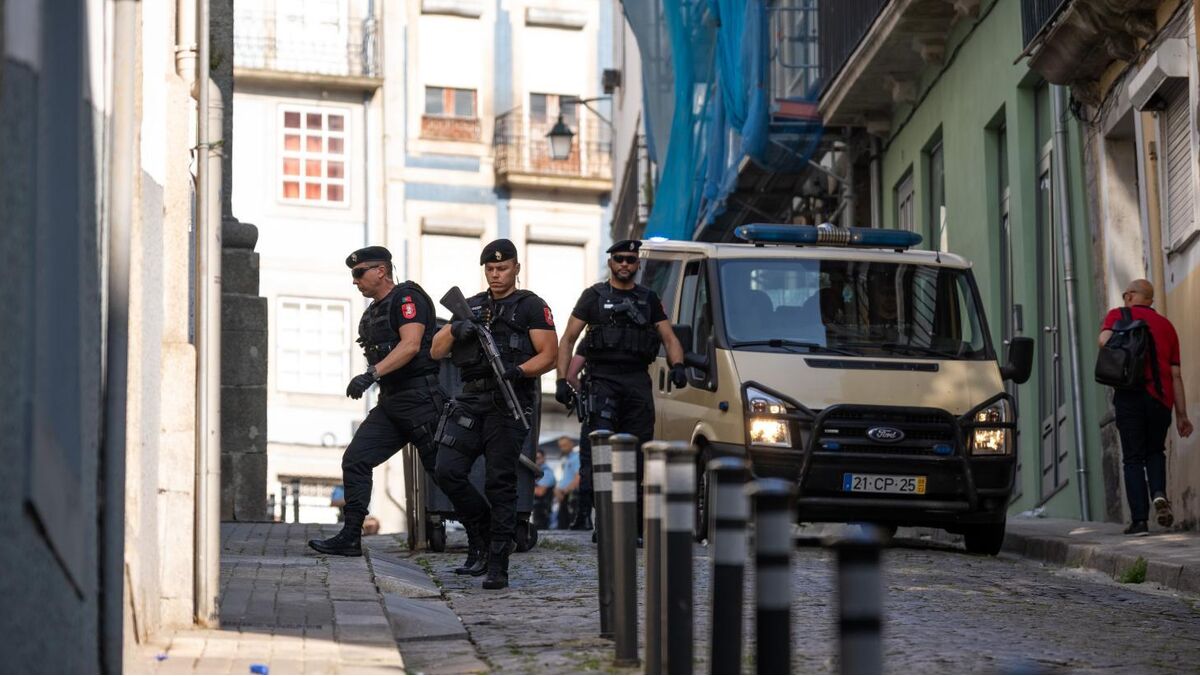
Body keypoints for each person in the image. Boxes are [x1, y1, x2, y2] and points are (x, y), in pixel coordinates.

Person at [430, 238, 558, 589]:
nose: (496, 274)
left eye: (502, 268)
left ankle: (497, 562)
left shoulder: (531, 306)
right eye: (490, 269)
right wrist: (456, 328)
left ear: (516, 268)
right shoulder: (471, 305)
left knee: (500, 483)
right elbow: (436, 350)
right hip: (471, 400)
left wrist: (518, 371)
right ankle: (481, 534)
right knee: (447, 470)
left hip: (508, 402)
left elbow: (549, 355)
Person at [308, 246, 445, 557]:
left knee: (446, 474)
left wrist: (371, 374)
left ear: (381, 271)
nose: (355, 280)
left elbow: (411, 345)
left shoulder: (407, 298)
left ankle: (490, 535)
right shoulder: (372, 313)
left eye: (359, 273)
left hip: (421, 400)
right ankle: (350, 536)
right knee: (356, 459)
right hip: (392, 402)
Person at [554, 239, 687, 531]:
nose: (625, 264)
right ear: (610, 262)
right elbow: (568, 338)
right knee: (601, 453)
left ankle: (631, 522)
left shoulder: (648, 299)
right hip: (602, 382)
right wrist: (561, 380)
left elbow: (669, 338)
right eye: (619, 259)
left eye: (630, 259)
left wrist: (678, 366)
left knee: (636, 455)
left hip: (637, 382)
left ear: (638, 263)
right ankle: (601, 520)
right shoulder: (593, 296)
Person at [1098, 279, 1193, 535]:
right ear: (1150, 300)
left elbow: (1103, 342)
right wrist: (1182, 415)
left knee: (1132, 458)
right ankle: (1159, 493)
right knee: (1155, 451)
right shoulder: (1167, 326)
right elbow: (1176, 375)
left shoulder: (1118, 315)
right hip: (1161, 400)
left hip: (1130, 396)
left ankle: (1140, 521)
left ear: (1130, 296)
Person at [554, 436, 581, 529]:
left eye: (565, 445)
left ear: (571, 444)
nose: (562, 448)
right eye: (561, 446)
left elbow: (578, 477)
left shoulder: (576, 458)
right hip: (564, 495)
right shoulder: (567, 459)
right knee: (562, 524)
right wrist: (558, 490)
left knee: (566, 525)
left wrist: (565, 491)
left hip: (570, 495)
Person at [531, 449, 556, 530]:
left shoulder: (546, 472)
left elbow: (540, 492)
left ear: (543, 458)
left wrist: (525, 490)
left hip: (542, 512)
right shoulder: (536, 471)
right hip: (537, 511)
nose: (536, 460)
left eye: (538, 458)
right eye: (534, 458)